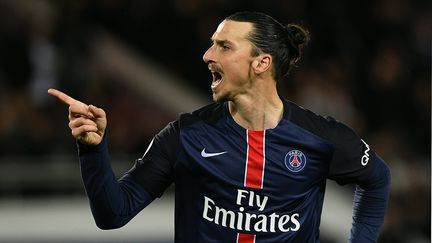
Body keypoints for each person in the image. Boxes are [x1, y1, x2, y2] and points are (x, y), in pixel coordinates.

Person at [48, 11, 391, 243]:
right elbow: (112, 214)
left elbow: (377, 178)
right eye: (212, 43)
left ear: (261, 62)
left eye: (224, 46)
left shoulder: (319, 137)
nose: (207, 55)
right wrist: (92, 149)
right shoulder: (185, 136)